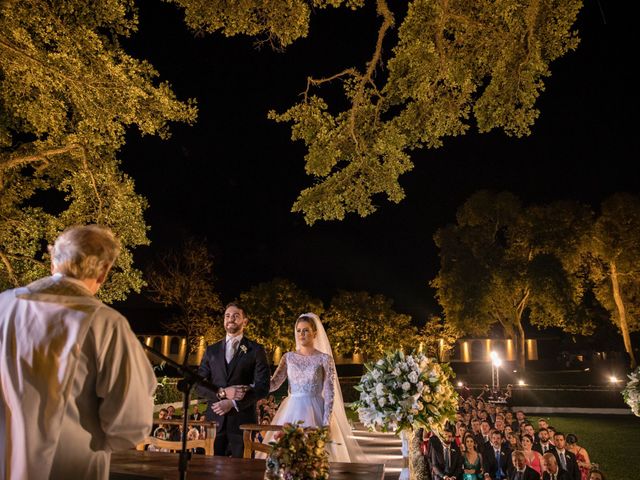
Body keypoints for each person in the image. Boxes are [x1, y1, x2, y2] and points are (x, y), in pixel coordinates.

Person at [0, 224, 156, 479]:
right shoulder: (105, 323)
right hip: (73, 463)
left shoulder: (4, 306)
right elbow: (130, 420)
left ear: (53, 262)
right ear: (104, 271)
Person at [262, 313, 365, 462]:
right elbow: (273, 384)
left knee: (316, 456)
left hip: (316, 409)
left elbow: (330, 392)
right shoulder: (288, 357)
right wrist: (257, 378)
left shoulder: (324, 359)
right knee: (287, 456)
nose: (301, 334)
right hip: (291, 410)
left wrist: (326, 422)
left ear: (314, 333)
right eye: (298, 330)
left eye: (306, 330)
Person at [197, 302, 270, 457]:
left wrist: (233, 403)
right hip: (214, 422)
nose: (231, 319)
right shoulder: (211, 350)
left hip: (242, 422)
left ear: (245, 321)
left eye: (236, 316)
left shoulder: (256, 350)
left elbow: (263, 386)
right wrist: (222, 394)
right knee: (210, 470)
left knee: (242, 471)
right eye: (227, 316)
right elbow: (199, 384)